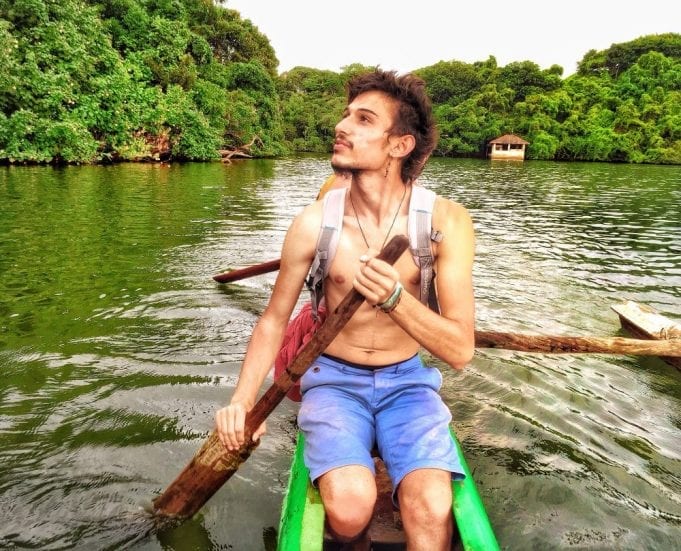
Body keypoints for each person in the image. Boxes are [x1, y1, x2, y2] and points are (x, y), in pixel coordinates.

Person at [215, 69, 475, 550]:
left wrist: (396, 300)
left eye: (363, 119)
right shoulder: (314, 223)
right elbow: (273, 319)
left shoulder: (446, 222)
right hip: (333, 378)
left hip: (407, 378)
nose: (342, 126)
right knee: (351, 507)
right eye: (345, 115)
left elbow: (460, 350)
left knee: (430, 507)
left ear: (399, 145)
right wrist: (243, 401)